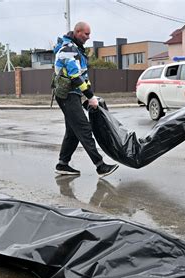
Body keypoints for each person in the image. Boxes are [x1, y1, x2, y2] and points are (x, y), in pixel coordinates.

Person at [53, 22, 119, 177]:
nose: (88, 37)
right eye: (86, 34)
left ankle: (62, 164)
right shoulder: (69, 49)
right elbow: (75, 77)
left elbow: (83, 76)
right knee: (84, 128)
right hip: (67, 95)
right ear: (77, 32)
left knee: (73, 131)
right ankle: (100, 166)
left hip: (72, 94)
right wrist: (90, 96)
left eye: (89, 34)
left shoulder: (77, 49)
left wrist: (90, 96)